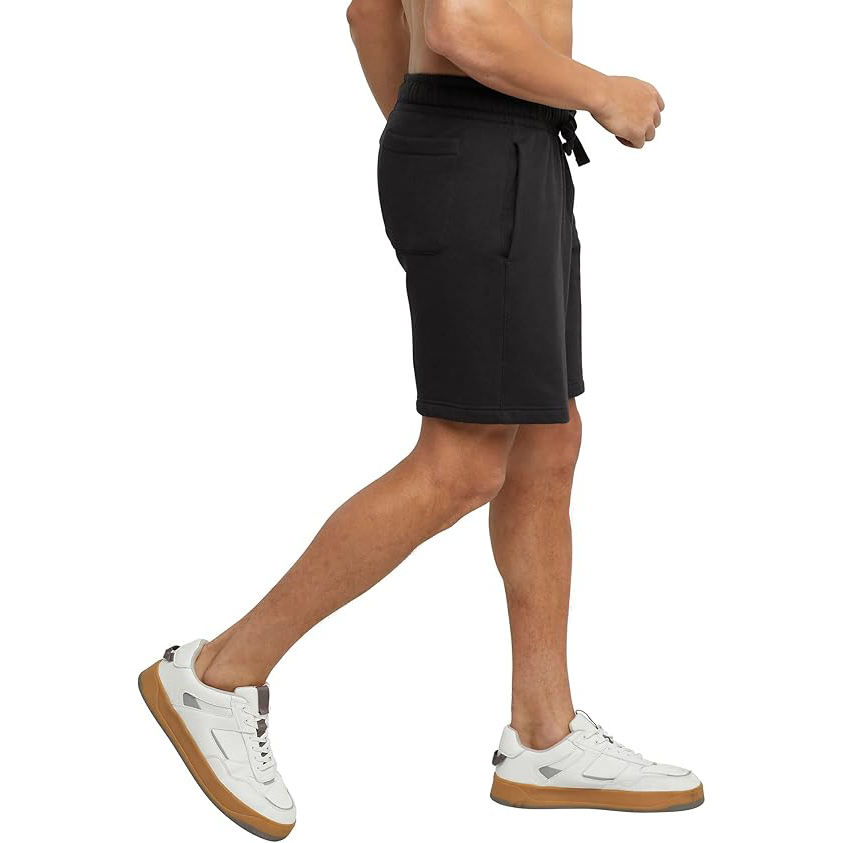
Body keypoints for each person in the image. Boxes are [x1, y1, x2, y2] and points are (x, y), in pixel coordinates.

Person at [138, 1, 702, 838]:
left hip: (501, 145)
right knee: (462, 463)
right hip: (485, 143)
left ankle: (543, 735)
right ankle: (218, 675)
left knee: (547, 438)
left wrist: (434, 140)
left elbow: (371, 12)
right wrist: (599, 91)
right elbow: (461, 26)